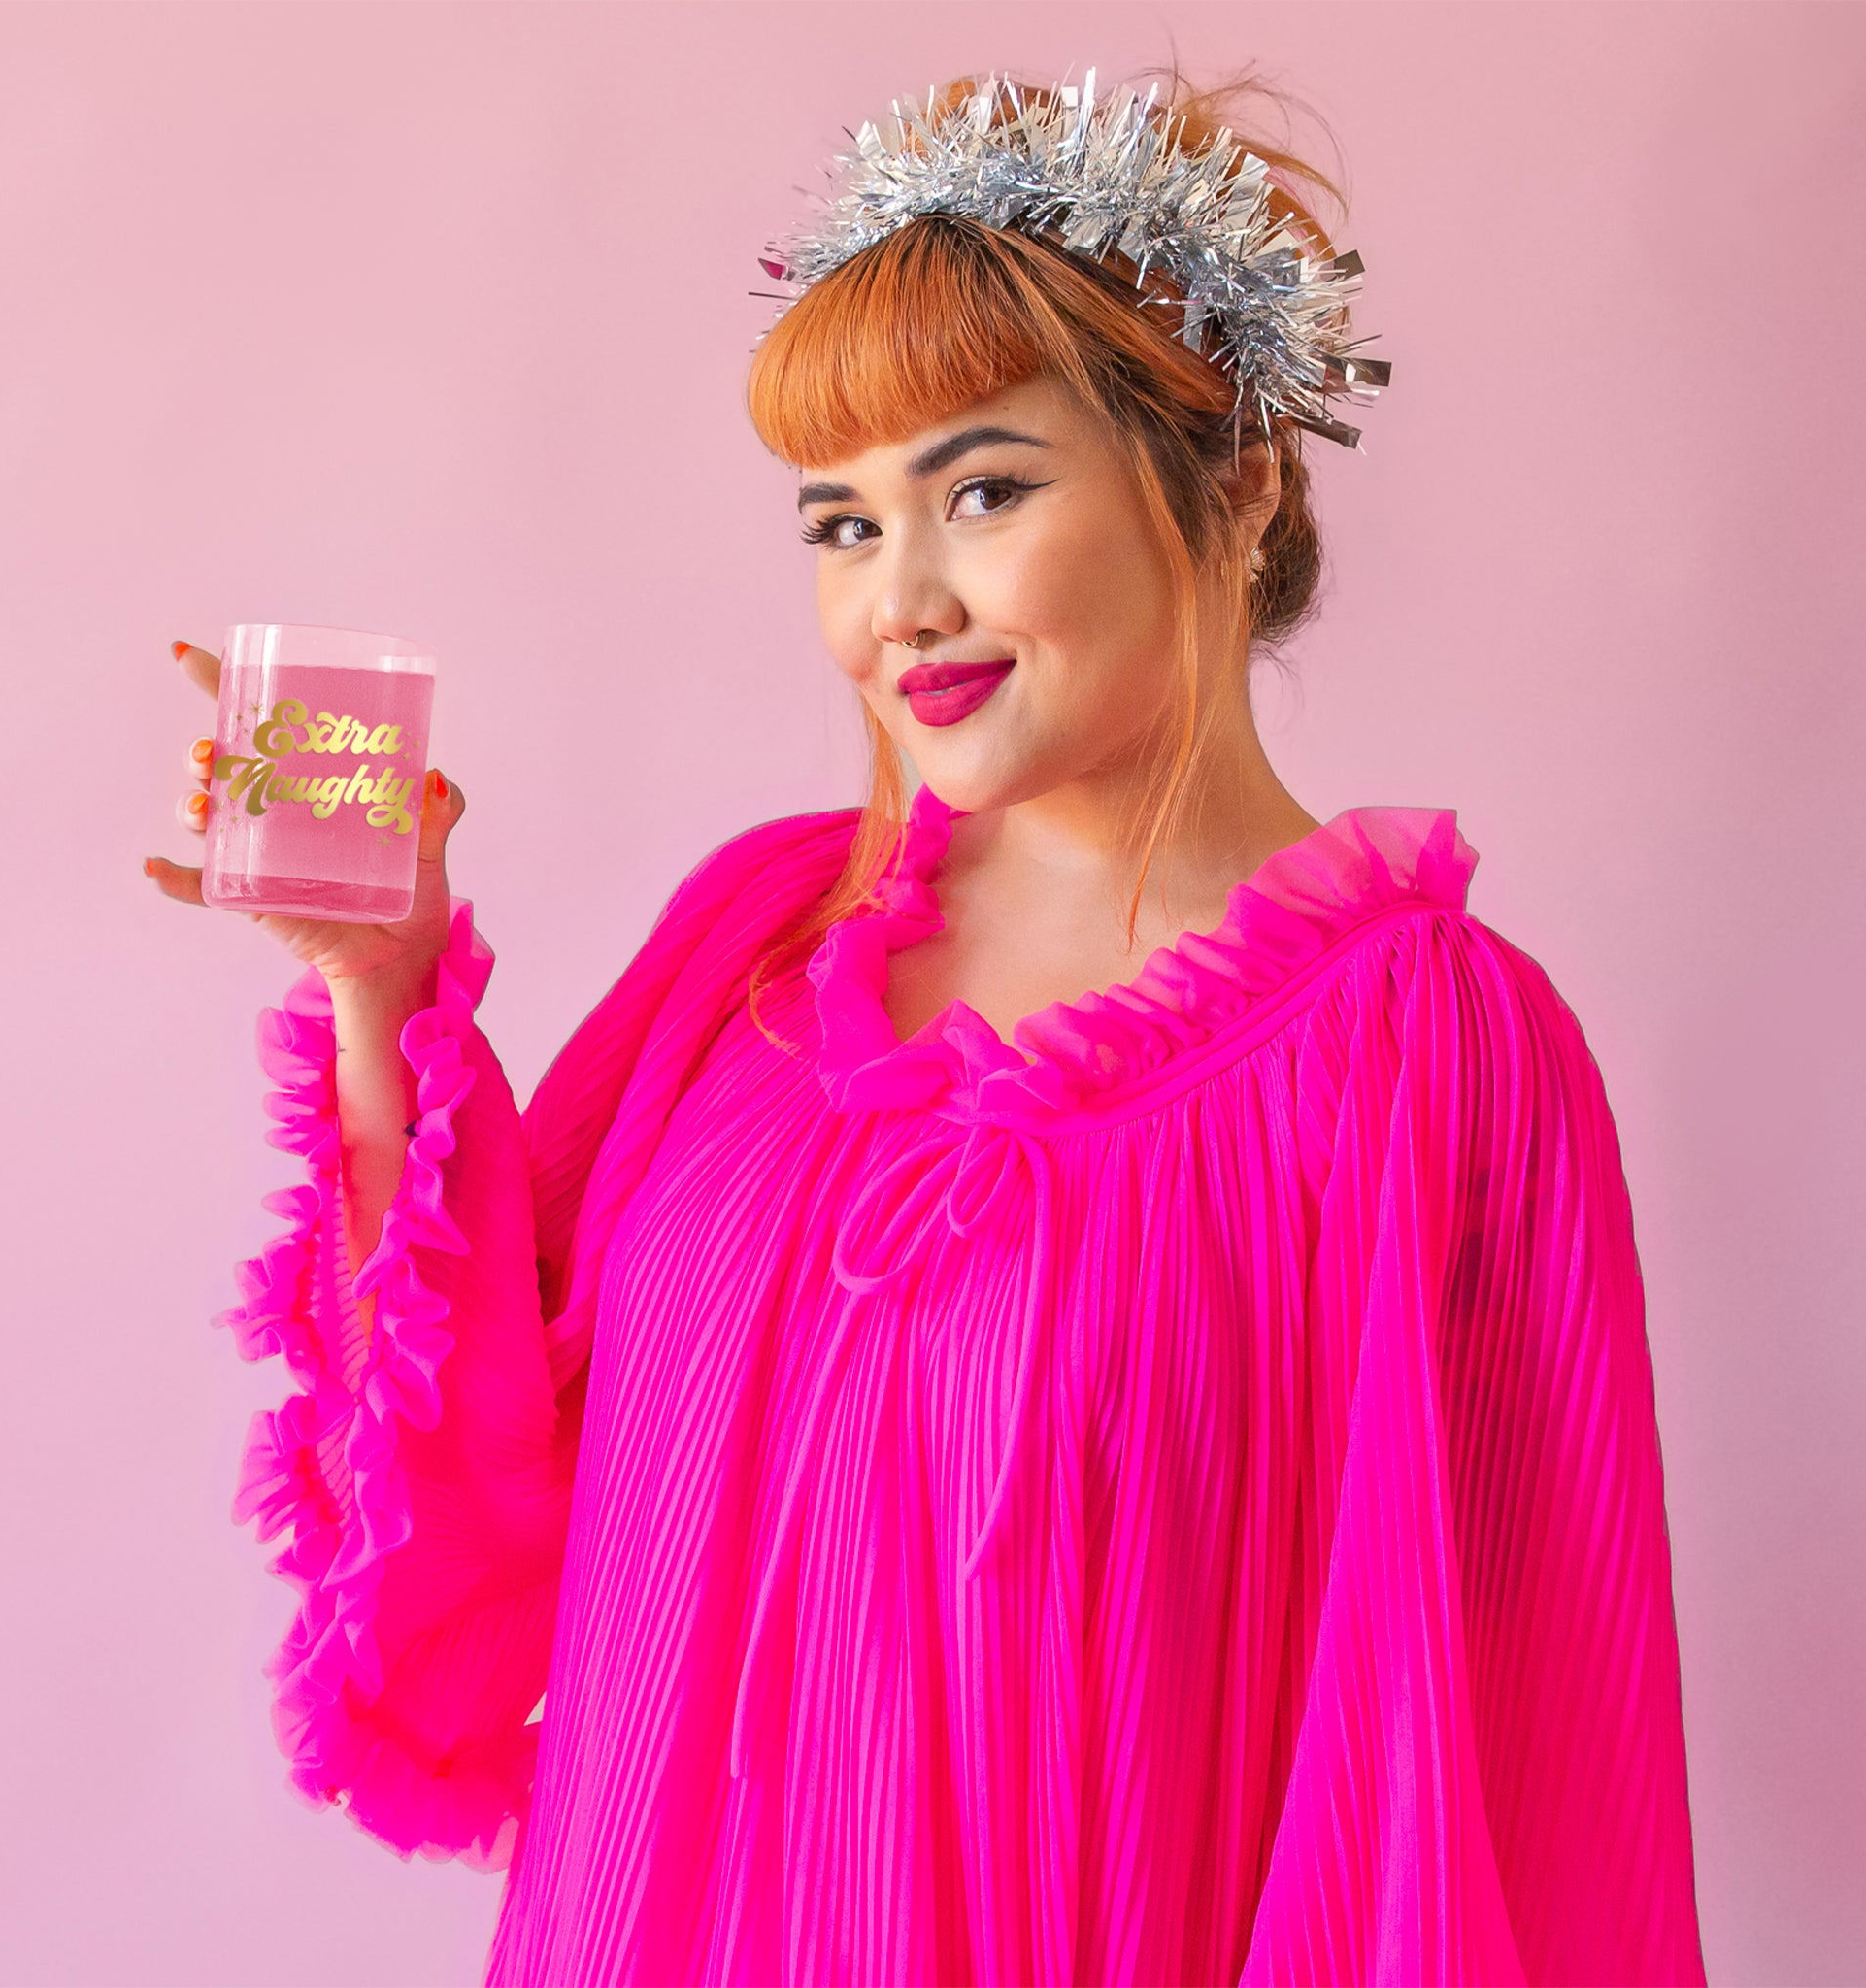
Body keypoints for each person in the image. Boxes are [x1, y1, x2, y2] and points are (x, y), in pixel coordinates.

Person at [146, 67, 1708, 1988]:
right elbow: (473, 1504)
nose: (900, 600)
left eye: (979, 488)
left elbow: (1485, 1751)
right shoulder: (755, 941)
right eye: (838, 522)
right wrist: (376, 996)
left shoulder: (1422, 1050)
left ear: (1232, 483)